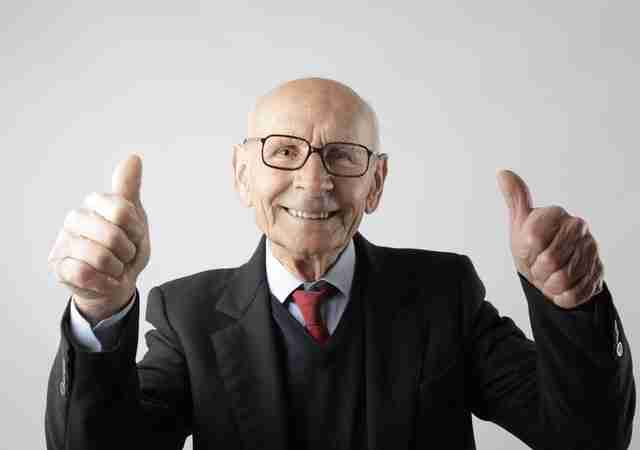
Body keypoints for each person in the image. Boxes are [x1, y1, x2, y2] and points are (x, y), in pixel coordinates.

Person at [45, 78, 634, 450]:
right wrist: (99, 310)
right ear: (241, 175)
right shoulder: (188, 313)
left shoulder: (442, 294)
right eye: (283, 152)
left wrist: (574, 303)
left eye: (343, 156)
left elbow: (585, 438)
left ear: (376, 184)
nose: (315, 181)